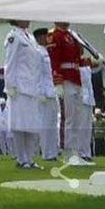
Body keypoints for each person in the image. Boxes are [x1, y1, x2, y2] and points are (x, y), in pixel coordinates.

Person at [4, 22, 43, 169]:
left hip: (32, 87)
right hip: (19, 87)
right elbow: (10, 62)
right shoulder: (14, 36)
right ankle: (21, 159)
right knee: (19, 125)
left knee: (31, 125)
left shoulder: (30, 37)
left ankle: (30, 158)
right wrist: (10, 86)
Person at [46, 22, 83, 163]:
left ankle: (75, 151)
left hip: (75, 77)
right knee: (69, 118)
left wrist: (90, 61)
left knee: (77, 119)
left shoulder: (70, 35)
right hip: (66, 79)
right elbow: (54, 61)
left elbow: (77, 58)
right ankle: (68, 152)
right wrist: (58, 82)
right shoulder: (54, 35)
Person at [34, 28, 61, 161]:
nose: (47, 39)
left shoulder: (46, 52)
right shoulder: (37, 52)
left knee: (52, 123)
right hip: (43, 93)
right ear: (39, 38)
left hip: (51, 91)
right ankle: (46, 153)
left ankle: (53, 152)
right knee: (45, 124)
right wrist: (40, 93)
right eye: (45, 36)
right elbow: (37, 74)